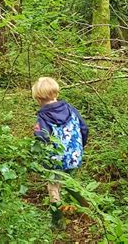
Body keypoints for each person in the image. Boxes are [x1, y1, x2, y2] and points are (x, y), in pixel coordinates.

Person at [32, 77, 89, 228]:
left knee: (53, 187)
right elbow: (84, 128)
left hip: (55, 159)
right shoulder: (70, 109)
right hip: (73, 155)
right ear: (56, 92)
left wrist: (40, 157)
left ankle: (57, 221)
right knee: (70, 182)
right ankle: (89, 207)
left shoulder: (43, 117)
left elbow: (42, 138)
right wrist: (79, 147)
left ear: (38, 98)